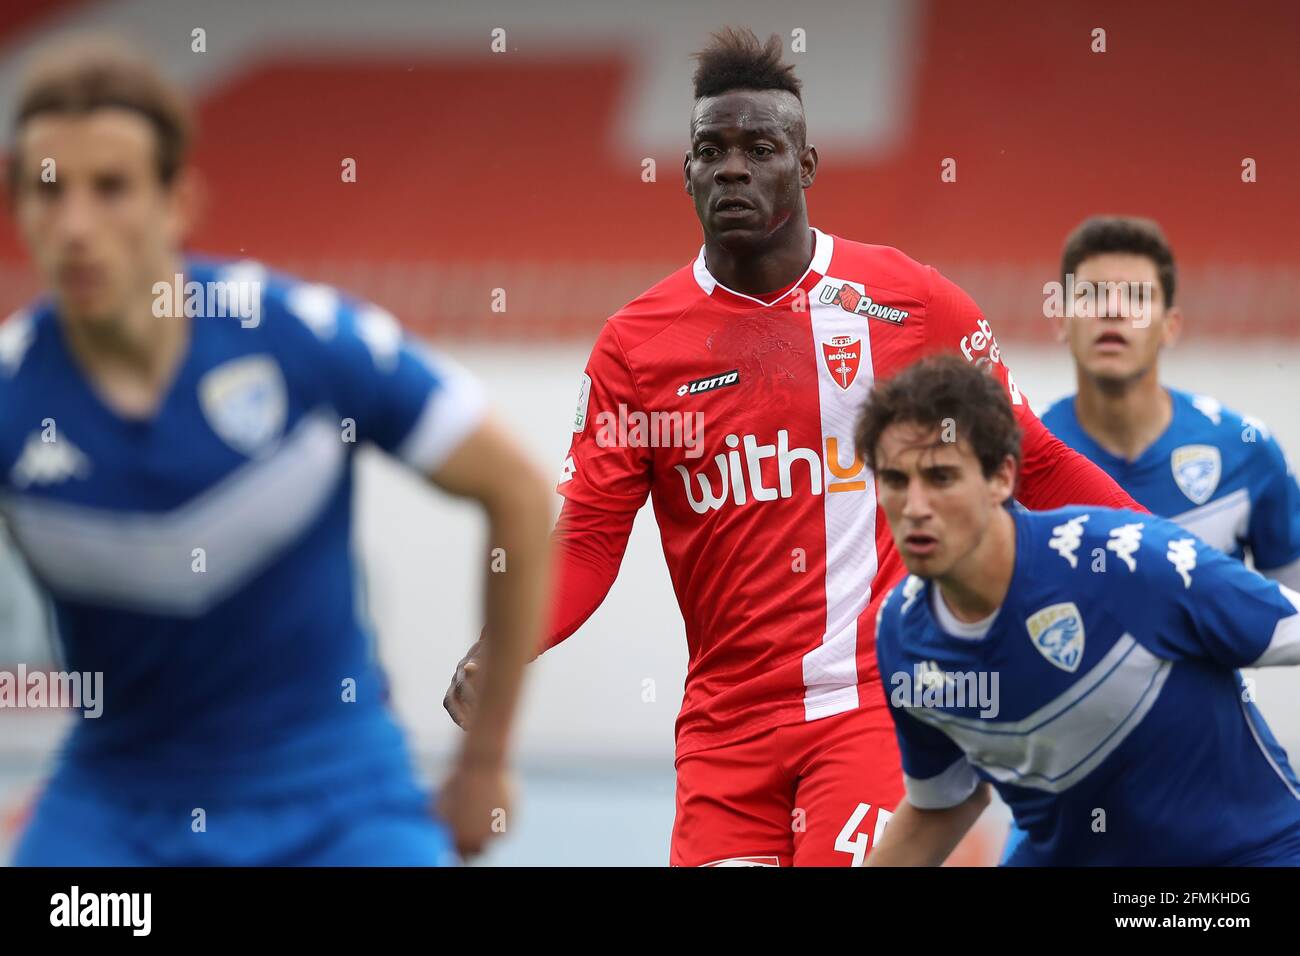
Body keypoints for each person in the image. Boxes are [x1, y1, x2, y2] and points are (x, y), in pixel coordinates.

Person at [445, 28, 1138, 866]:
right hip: (723, 736)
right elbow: (590, 537)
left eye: (760, 148)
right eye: (712, 150)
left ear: (805, 165)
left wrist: (1169, 563)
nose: (733, 167)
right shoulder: (636, 347)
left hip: (874, 709)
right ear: (686, 172)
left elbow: (1035, 461)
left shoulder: (909, 304)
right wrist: (505, 644)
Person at [1, 41, 551, 865]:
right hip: (116, 811)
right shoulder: (12, 395)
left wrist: (485, 765)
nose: (75, 225)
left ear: (177, 200)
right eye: (48, 190)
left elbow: (514, 489)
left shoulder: (304, 339)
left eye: (110, 188)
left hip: (339, 802)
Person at [859, 355, 1300, 866]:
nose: (914, 505)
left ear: (1002, 477)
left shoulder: (1127, 561)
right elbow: (942, 802)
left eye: (941, 478)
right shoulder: (901, 635)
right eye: (894, 479)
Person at [1042, 215, 1300, 588]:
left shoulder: (1247, 452)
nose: (1113, 310)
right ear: (1061, 322)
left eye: (1138, 296)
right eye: (1091, 295)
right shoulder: (1022, 455)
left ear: (1171, 326)